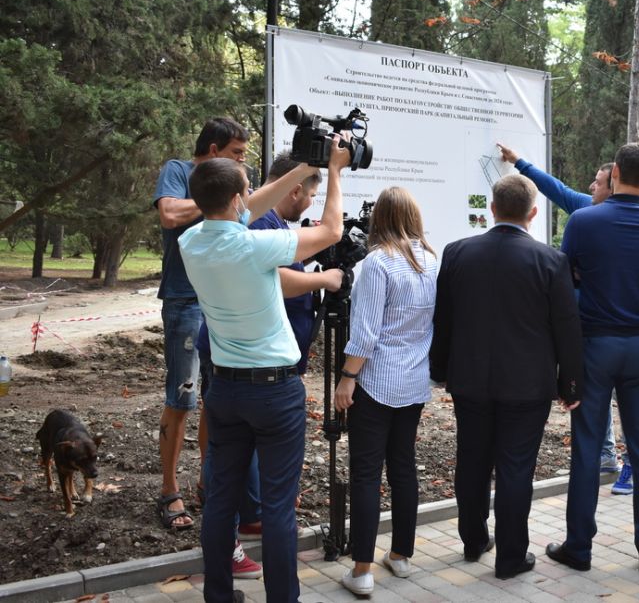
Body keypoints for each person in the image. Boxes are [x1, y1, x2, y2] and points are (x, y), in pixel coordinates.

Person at [179, 142, 350, 603]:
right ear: (236, 200)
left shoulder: (191, 240)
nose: (250, 196)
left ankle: (218, 594)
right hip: (275, 393)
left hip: (226, 391)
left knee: (220, 501)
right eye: (246, 191)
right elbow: (332, 230)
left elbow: (241, 206)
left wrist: (303, 169)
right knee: (277, 508)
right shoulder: (257, 246)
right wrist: (334, 171)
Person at [430, 174, 583, 580]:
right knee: (517, 469)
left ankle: (473, 540)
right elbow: (567, 327)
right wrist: (571, 383)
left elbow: (442, 320)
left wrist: (440, 368)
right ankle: (511, 557)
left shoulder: (457, 252)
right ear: (533, 213)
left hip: (470, 379)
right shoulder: (551, 261)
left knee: (472, 461)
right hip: (527, 385)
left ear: (492, 210)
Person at [546, 142, 639, 574]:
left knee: (586, 446)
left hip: (596, 344)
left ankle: (578, 547)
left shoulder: (584, 220)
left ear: (615, 171)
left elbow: (568, 273)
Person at [497, 143, 631, 490]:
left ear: (613, 185)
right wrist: (519, 162)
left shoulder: (622, 222)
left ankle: (628, 462)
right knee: (592, 394)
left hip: (614, 329)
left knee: (621, 398)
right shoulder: (586, 209)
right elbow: (556, 188)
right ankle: (605, 457)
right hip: (585, 327)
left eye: (598, 182)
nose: (590, 187)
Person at [335, 187, 438, 596]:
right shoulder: (430, 260)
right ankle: (400, 556)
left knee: (365, 473)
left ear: (380, 218)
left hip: (376, 382)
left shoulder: (378, 263)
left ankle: (361, 570)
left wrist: (347, 377)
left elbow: (364, 332)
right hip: (413, 382)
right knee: (403, 467)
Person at [153, 118, 249, 531]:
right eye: (237, 155)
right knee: (182, 398)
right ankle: (169, 490)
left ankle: (209, 483)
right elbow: (170, 215)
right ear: (213, 151)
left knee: (217, 396)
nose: (243, 164)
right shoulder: (178, 171)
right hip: (184, 300)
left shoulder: (236, 185)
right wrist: (218, 197)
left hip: (221, 300)